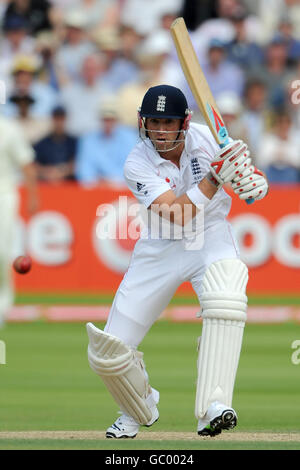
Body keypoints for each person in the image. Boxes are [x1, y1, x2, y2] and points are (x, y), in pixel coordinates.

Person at [86, 85, 269, 438]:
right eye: (154, 122)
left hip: (211, 237)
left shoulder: (210, 139)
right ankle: (135, 407)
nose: (160, 131)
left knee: (226, 298)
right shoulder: (137, 161)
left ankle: (213, 407)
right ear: (143, 122)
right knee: (108, 352)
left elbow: (249, 179)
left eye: (168, 123)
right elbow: (177, 214)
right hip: (160, 246)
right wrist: (217, 178)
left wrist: (249, 179)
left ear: (184, 122)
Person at [0, 114, 38, 327]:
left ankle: (2, 307)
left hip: (4, 196)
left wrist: (33, 196)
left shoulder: (8, 128)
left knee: (2, 253)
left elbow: (26, 164)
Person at [75, 97, 137, 184]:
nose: (108, 123)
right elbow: (83, 170)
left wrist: (111, 181)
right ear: (100, 120)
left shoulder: (129, 137)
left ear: (117, 119)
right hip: (94, 189)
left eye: (111, 119)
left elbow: (132, 170)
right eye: (105, 119)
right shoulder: (88, 139)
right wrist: (96, 182)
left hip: (121, 189)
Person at [34, 105, 77, 182]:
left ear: (65, 119)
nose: (59, 122)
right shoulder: (41, 143)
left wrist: (61, 171)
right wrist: (47, 172)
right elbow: (34, 165)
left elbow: (77, 164)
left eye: (61, 119)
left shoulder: (73, 142)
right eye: (56, 118)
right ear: (52, 119)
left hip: (68, 186)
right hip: (46, 186)